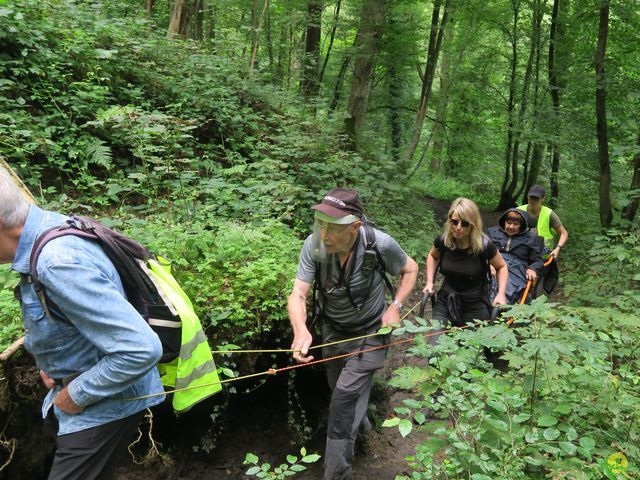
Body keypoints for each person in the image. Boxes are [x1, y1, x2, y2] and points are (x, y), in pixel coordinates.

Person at [0, 167, 165, 480]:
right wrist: (54, 360)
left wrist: (75, 393)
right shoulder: (47, 226)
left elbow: (140, 349)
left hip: (101, 409)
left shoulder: (57, 262)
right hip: (80, 401)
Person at [288, 188, 418, 480]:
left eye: (333, 228)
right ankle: (365, 429)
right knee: (339, 391)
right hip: (334, 331)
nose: (324, 234)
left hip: (373, 331)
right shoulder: (314, 246)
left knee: (345, 396)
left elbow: (410, 269)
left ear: (355, 227)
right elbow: (298, 293)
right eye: (320, 224)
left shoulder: (379, 244)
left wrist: (395, 306)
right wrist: (301, 330)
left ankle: (337, 473)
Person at [423, 198, 508, 328]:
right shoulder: (443, 241)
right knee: (436, 345)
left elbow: (501, 266)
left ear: (473, 224)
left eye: (465, 224)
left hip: (475, 305)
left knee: (472, 347)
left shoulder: (484, 246)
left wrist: (501, 294)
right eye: (454, 222)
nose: (458, 227)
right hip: (446, 301)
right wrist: (430, 282)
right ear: (449, 220)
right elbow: (433, 256)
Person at [487, 208, 544, 304]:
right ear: (504, 222)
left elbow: (537, 260)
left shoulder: (531, 239)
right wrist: (487, 263)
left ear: (521, 226)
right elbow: (481, 252)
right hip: (494, 263)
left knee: (508, 286)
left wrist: (532, 269)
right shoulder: (492, 233)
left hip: (516, 269)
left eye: (515, 224)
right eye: (508, 223)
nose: (511, 227)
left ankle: (500, 306)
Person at [518, 185, 569, 259]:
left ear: (543, 198)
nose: (532, 200)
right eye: (531, 197)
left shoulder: (549, 214)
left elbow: (564, 233)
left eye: (536, 198)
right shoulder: (518, 211)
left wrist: (558, 248)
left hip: (543, 257)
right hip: (521, 254)